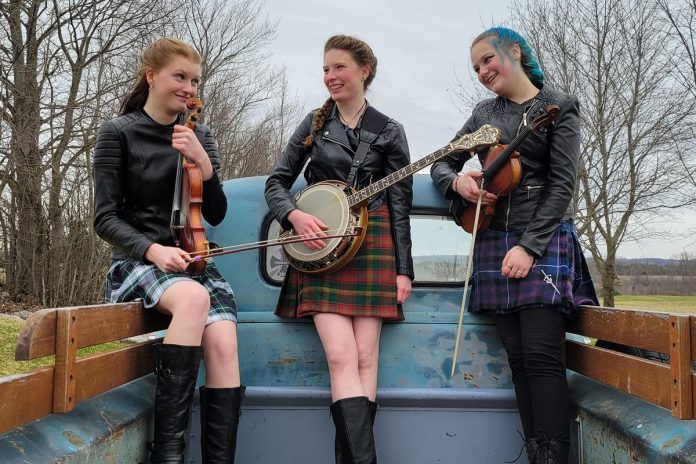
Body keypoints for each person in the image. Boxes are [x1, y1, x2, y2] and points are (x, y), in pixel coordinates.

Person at [430, 27, 598, 464]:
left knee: (542, 356)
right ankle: (537, 453)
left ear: (515, 51)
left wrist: (529, 246)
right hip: (490, 239)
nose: (483, 71)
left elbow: (562, 185)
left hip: (541, 240)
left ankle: (555, 458)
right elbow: (442, 162)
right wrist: (459, 181)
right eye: (476, 67)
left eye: (489, 59)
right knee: (518, 361)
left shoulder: (560, 105)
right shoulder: (485, 113)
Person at [93, 38, 243, 464]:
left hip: (192, 259)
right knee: (195, 299)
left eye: (195, 79)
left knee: (224, 344)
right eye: (180, 76)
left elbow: (214, 211)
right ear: (152, 77)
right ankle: (168, 457)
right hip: (138, 262)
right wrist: (154, 250)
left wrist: (205, 164)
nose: (189, 87)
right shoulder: (118, 132)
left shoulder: (200, 135)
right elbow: (104, 219)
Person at [265, 35, 414, 463]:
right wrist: (293, 215)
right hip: (320, 247)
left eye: (339, 68)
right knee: (341, 355)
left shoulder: (390, 130)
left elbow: (400, 204)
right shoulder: (314, 124)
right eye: (326, 69)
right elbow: (277, 182)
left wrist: (404, 269)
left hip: (376, 242)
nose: (330, 76)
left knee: (366, 358)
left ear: (364, 70)